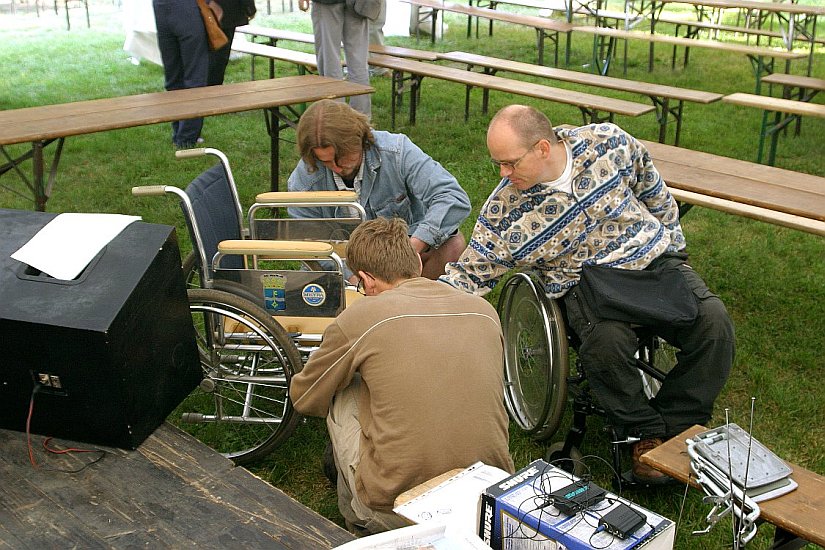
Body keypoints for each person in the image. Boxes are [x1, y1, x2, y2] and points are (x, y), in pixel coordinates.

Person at [441, 104, 735, 483]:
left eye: (510, 163)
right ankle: (645, 435)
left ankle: (676, 424)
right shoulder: (504, 212)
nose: (503, 173)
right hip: (586, 284)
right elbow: (469, 275)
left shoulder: (606, 143)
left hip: (650, 261)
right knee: (605, 346)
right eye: (498, 163)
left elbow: (651, 186)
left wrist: (672, 243)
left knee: (715, 325)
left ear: (543, 148)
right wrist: (410, 302)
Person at [290, 217, 514, 535]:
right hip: (491, 496)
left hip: (399, 505)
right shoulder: (482, 310)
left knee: (339, 390)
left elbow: (306, 398)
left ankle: (359, 519)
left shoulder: (359, 316)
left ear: (366, 281)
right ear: (418, 267)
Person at [287, 99, 471, 280]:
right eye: (325, 161)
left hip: (406, 258)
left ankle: (419, 303)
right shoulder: (302, 182)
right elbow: (311, 245)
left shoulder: (396, 151)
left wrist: (412, 249)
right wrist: (356, 281)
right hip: (347, 266)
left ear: (359, 139)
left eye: (342, 157)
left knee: (453, 244)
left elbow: (452, 197)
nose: (336, 167)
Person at [298, 0, 371, 117]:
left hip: (328, 3)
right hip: (357, 4)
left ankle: (336, 119)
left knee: (329, 60)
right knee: (358, 61)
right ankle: (362, 119)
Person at [152, 0, 210, 148]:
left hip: (161, 8)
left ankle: (179, 132)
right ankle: (187, 138)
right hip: (187, 8)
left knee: (173, 78)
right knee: (195, 78)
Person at [206, 0, 257, 86]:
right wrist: (250, 9)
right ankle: (212, 92)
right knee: (218, 62)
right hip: (224, 14)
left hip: (196, 12)